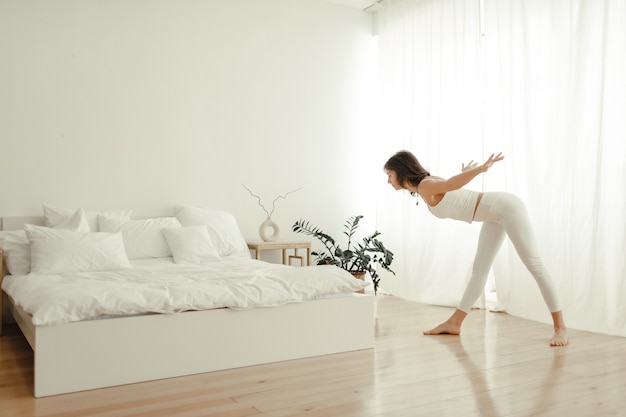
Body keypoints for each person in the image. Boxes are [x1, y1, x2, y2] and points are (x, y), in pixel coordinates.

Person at [383, 150, 568, 347]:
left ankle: (560, 328)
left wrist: (481, 169)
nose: (388, 181)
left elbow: (453, 184)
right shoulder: (426, 185)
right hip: (493, 215)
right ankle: (454, 323)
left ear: (401, 172)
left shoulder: (425, 185)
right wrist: (468, 172)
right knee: (479, 271)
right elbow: (452, 186)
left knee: (534, 265)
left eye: (390, 175)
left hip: (506, 208)